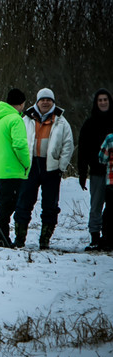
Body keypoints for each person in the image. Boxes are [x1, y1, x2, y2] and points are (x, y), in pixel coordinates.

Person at [12, 88, 74, 250]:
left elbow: (68, 145)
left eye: (49, 100)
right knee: (23, 203)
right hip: (30, 166)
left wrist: (61, 166)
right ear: (37, 102)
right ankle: (19, 239)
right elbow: (18, 141)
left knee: (50, 206)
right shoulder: (26, 119)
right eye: (42, 100)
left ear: (53, 102)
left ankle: (45, 240)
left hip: (51, 168)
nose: (45, 102)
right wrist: (21, 163)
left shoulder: (61, 121)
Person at [0, 88, 31, 248]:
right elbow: (19, 145)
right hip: (13, 170)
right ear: (21, 103)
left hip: (0, 169)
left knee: (2, 205)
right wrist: (26, 163)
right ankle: (0, 238)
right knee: (6, 208)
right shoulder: (15, 119)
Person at [78, 89, 113, 251]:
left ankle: (108, 238)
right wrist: (82, 172)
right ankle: (94, 238)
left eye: (105, 99)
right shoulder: (89, 123)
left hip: (112, 172)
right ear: (96, 103)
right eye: (100, 100)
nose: (103, 102)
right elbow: (83, 150)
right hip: (97, 171)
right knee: (96, 205)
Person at [95, 133, 113, 251]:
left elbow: (102, 157)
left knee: (110, 211)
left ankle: (107, 239)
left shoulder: (110, 138)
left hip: (111, 181)